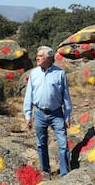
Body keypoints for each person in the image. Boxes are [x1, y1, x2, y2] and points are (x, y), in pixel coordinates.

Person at [23, 46, 72, 177]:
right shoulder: (33, 73)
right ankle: (45, 172)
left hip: (57, 114)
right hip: (39, 114)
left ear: (49, 58)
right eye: (37, 56)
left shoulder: (60, 73)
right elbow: (29, 96)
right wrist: (28, 116)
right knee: (41, 144)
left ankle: (65, 174)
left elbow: (66, 96)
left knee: (63, 144)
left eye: (40, 56)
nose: (37, 58)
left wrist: (67, 115)